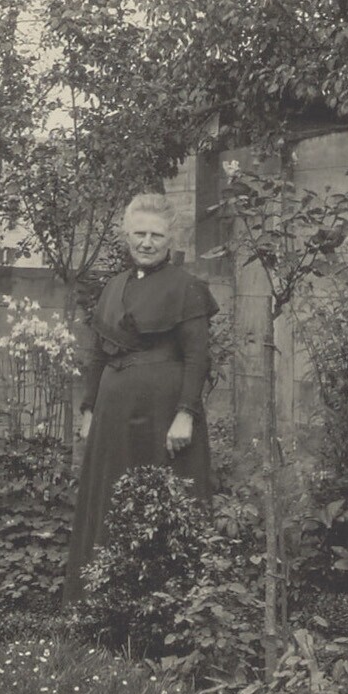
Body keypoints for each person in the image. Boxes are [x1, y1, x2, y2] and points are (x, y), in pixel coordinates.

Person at [64, 192, 218, 604]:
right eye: (139, 234)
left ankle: (167, 606)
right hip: (113, 414)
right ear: (126, 235)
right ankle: (101, 603)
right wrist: (89, 409)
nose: (147, 242)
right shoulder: (114, 287)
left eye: (156, 235)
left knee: (164, 502)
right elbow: (98, 354)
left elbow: (197, 357)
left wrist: (186, 413)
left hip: (161, 415)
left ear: (170, 239)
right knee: (111, 497)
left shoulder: (186, 288)